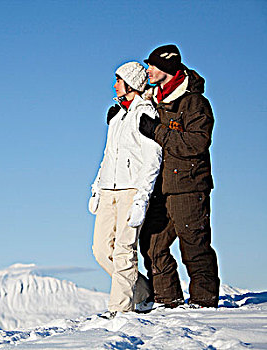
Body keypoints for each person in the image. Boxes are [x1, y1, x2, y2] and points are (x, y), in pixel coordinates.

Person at [138, 44, 220, 308]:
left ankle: (203, 302)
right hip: (160, 187)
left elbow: (197, 143)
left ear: (167, 68)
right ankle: (167, 300)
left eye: (152, 65)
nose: (147, 70)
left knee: (194, 244)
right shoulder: (156, 99)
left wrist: (158, 132)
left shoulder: (194, 103)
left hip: (188, 185)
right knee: (152, 244)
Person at [89, 61, 162, 319]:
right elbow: (108, 155)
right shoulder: (116, 116)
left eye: (118, 80)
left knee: (124, 250)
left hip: (131, 190)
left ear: (130, 84)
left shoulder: (145, 113)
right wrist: (97, 187)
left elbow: (153, 158)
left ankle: (119, 309)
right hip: (109, 190)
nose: (114, 85)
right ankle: (142, 292)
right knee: (100, 250)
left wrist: (142, 198)